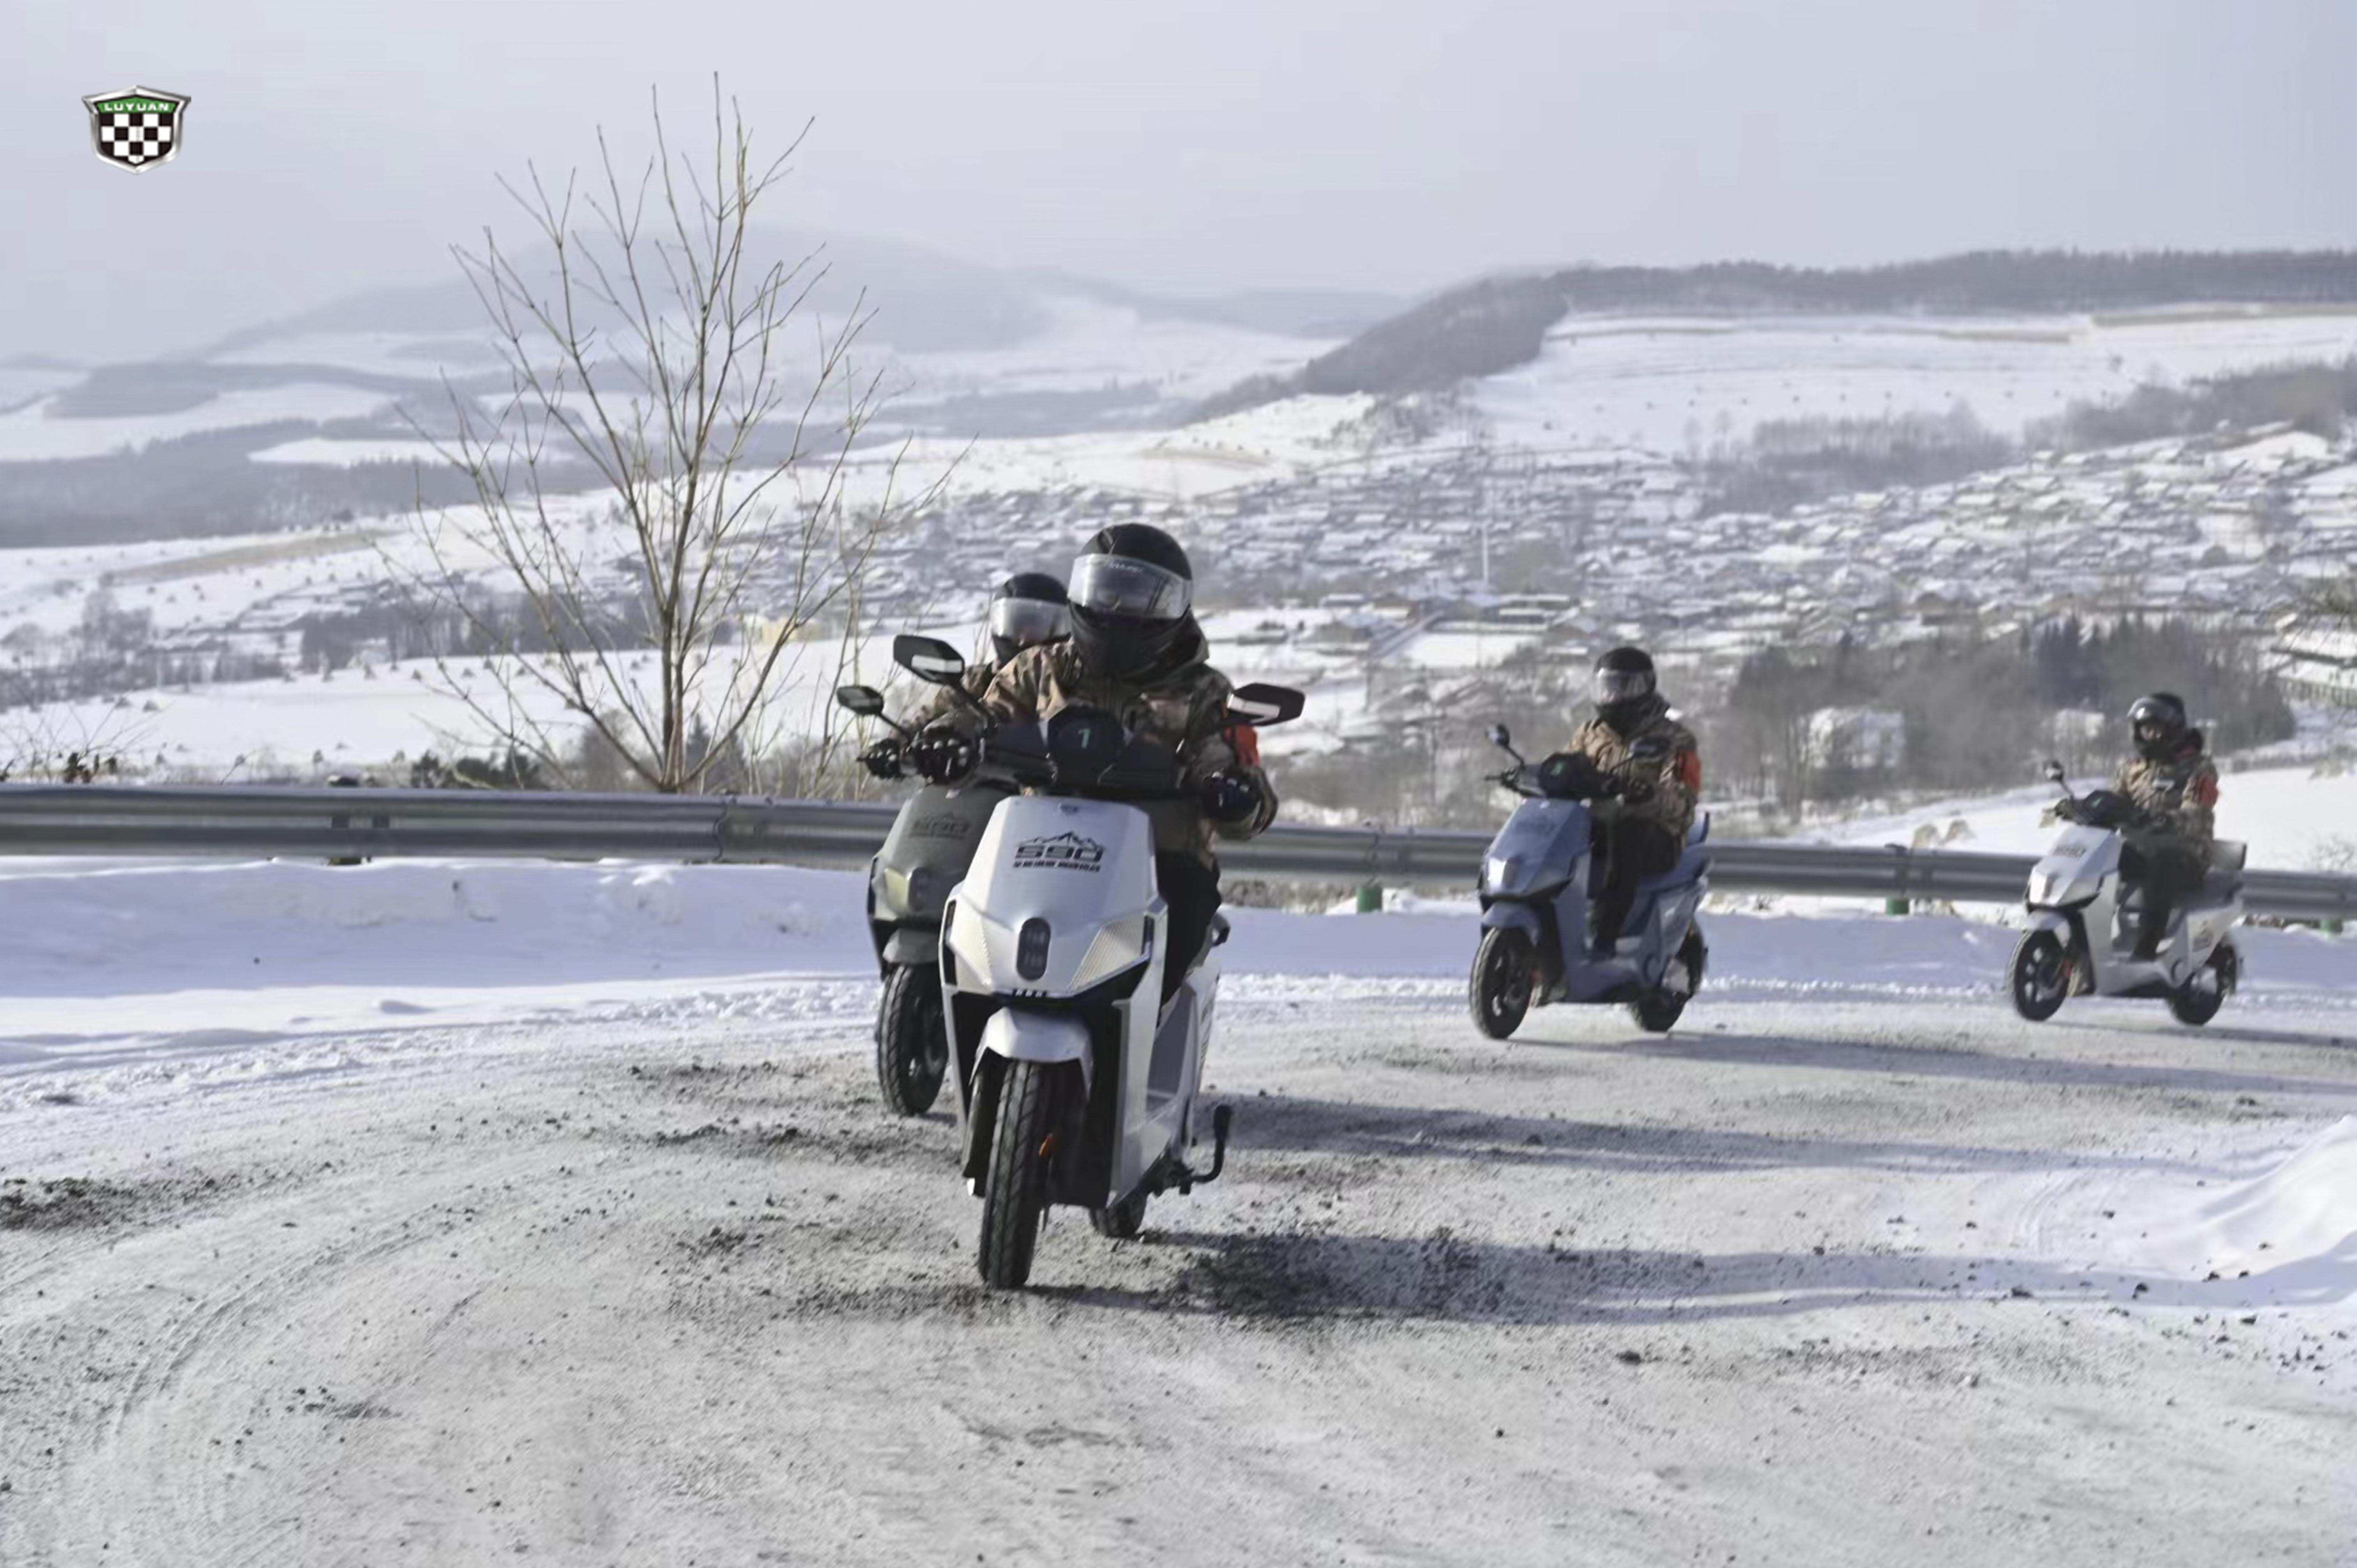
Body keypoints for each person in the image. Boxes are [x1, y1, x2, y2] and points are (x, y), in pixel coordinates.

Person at [907, 524, 1276, 1004]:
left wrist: (1235, 793)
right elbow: (986, 713)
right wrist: (949, 737)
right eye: (1106, 590)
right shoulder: (1040, 667)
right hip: (1038, 845)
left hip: (1157, 857)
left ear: (1174, 608)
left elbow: (1232, 766)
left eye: (1137, 594)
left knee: (1183, 919)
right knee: (972, 920)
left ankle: (1144, 1034)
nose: (1116, 606)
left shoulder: (1205, 691)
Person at [1562, 646, 1701, 959]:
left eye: (1622, 688)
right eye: (1608, 688)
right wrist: (1543, 774)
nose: (1613, 697)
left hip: (1658, 835)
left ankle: (1605, 936)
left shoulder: (1675, 739)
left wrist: (1651, 794)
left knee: (1629, 831)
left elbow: (1685, 797)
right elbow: (1567, 765)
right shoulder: (1590, 734)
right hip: (1601, 824)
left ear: (1645, 687)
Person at [860, 573, 1069, 779]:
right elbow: (930, 718)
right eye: (1017, 625)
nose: (1024, 639)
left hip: (1049, 794)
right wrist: (895, 745)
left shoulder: (1069, 683)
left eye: (1037, 628)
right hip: (974, 792)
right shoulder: (974, 681)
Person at [2110, 691, 2218, 960]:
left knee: (2163, 864)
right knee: (2102, 859)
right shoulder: (2133, 769)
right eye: (2145, 731)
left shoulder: (2200, 768)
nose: (2150, 737)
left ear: (2173, 731)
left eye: (2156, 731)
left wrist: (2168, 819)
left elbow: (2197, 812)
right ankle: (2086, 945)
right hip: (2142, 847)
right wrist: (2086, 809)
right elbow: (2115, 802)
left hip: (2186, 854)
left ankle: (2147, 949)